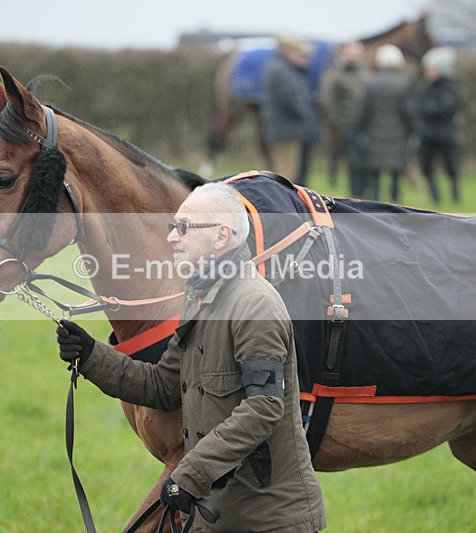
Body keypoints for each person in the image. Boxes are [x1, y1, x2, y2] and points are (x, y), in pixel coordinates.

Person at [56, 183, 326, 532]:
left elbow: (264, 408)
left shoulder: (255, 305)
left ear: (221, 237)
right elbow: (162, 386)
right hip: (214, 518)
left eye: (184, 228)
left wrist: (189, 476)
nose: (171, 238)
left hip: (268, 523)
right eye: (173, 227)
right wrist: (91, 356)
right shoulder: (199, 301)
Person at [262, 36, 322, 186]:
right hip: (287, 132)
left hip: (289, 130)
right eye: (301, 54)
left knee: (290, 175)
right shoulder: (282, 71)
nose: (306, 59)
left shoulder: (286, 69)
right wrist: (309, 117)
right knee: (285, 177)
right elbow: (293, 102)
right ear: (288, 52)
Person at [359, 44, 414, 203]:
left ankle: (374, 202)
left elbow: (365, 111)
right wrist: (412, 131)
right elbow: (408, 112)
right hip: (398, 133)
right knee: (395, 172)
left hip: (374, 131)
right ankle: (395, 202)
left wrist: (362, 130)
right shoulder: (404, 83)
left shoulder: (371, 83)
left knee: (375, 173)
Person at [320, 40, 369, 198]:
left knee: (365, 161)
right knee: (353, 161)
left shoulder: (365, 74)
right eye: (351, 54)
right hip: (346, 124)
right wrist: (338, 123)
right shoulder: (334, 75)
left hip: (365, 125)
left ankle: (364, 191)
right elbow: (328, 101)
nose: (355, 58)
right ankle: (355, 194)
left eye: (357, 54)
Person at [416, 46, 461, 205]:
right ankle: (435, 198)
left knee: (451, 167)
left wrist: (430, 108)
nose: (428, 72)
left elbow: (446, 108)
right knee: (427, 168)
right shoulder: (425, 87)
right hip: (428, 134)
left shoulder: (450, 86)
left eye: (431, 69)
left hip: (445, 134)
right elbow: (419, 107)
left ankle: (455, 195)